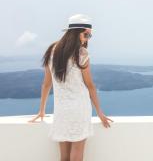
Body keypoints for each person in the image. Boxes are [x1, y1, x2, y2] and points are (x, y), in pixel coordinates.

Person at [28, 14, 113, 161]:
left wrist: (41, 110)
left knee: (64, 156)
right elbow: (90, 85)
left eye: (89, 36)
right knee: (77, 153)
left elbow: (47, 83)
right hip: (80, 108)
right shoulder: (81, 53)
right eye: (86, 35)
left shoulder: (51, 50)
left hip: (61, 110)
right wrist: (99, 112)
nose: (87, 39)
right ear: (76, 33)